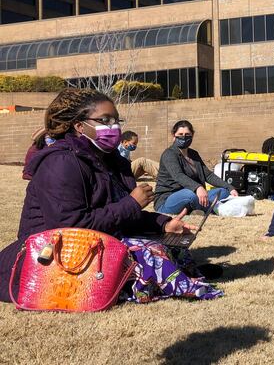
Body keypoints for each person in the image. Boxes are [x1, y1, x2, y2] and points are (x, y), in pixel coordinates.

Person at [0, 88, 222, 304]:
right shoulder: (61, 162)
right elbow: (70, 226)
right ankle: (179, 283)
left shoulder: (109, 161)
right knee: (148, 252)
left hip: (93, 242)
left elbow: (118, 215)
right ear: (80, 126)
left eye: (116, 120)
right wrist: (132, 202)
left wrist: (163, 224)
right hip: (53, 255)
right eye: (105, 120)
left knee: (167, 244)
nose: (114, 126)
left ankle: (179, 274)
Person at [154, 120, 237, 214]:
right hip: (169, 198)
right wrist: (198, 187)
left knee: (223, 192)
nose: (184, 137)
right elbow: (178, 176)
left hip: (194, 194)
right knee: (189, 195)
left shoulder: (194, 154)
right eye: (180, 134)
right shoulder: (169, 154)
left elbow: (208, 175)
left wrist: (230, 187)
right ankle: (210, 208)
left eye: (187, 134)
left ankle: (199, 208)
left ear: (192, 135)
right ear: (174, 135)